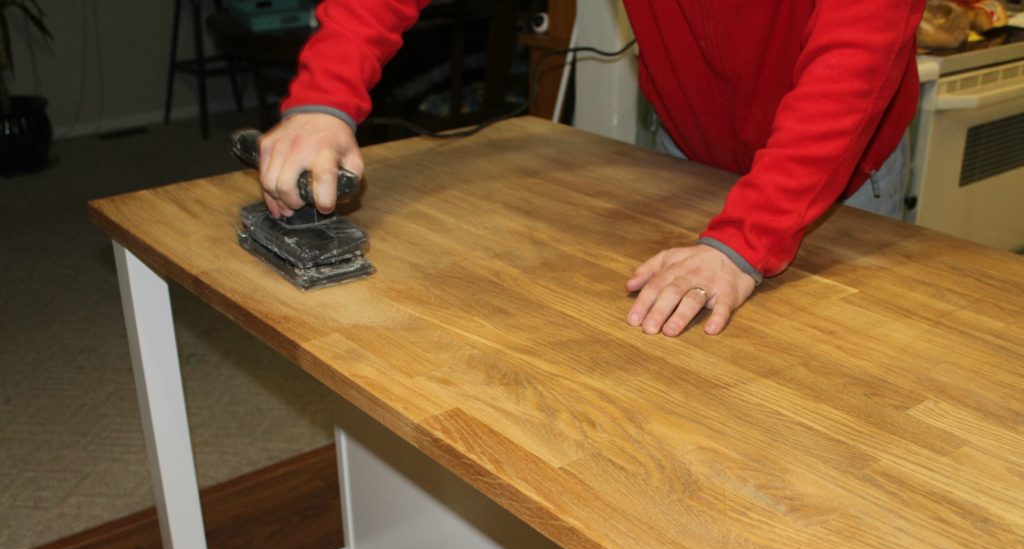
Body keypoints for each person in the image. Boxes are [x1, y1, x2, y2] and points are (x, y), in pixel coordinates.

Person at [259, 0, 924, 336]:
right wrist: (324, 99)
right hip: (689, 152)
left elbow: (853, 63)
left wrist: (743, 241)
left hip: (838, 175)